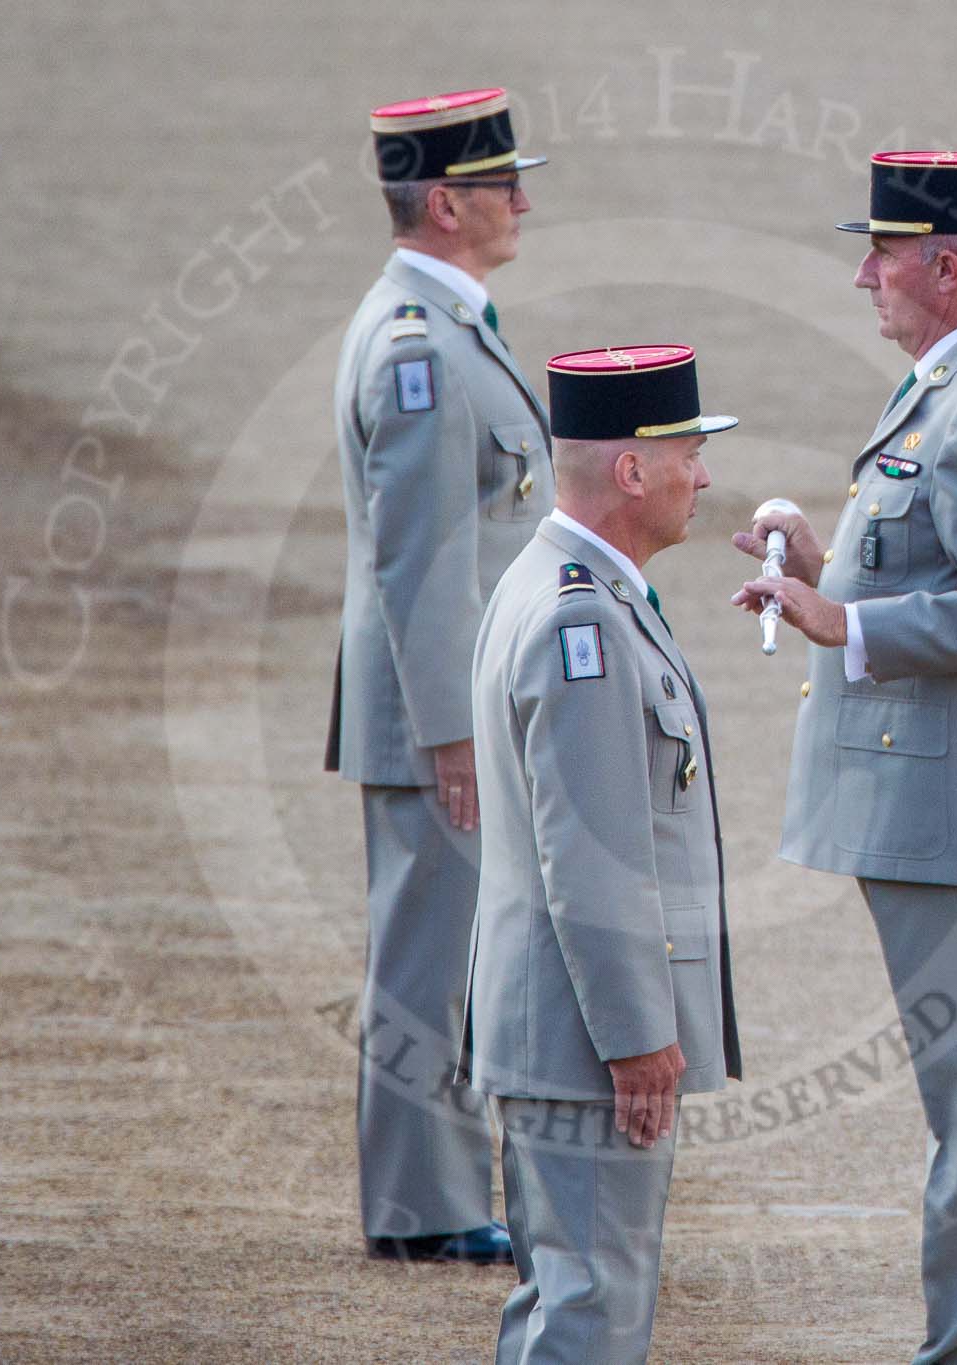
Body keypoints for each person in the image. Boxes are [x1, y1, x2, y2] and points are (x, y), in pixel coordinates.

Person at [732, 151, 957, 1364]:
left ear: (945, 268)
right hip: (920, 800)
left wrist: (845, 625)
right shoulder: (948, 384)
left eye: (882, 254)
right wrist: (823, 569)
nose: (862, 274)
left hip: (944, 809)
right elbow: (932, 567)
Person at [460, 345, 741, 1363]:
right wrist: (636, 1036)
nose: (702, 476)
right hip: (584, 1040)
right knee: (590, 1309)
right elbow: (590, 856)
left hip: (559, 1026)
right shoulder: (580, 617)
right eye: (686, 455)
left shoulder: (560, 584)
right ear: (630, 470)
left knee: (568, 1298)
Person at [324, 86, 553, 1264]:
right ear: (446, 204)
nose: (523, 202)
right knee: (429, 959)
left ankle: (443, 1191)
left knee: (452, 949)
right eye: (504, 184)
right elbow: (420, 563)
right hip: (435, 712)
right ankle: (423, 1207)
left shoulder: (444, 322)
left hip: (444, 704)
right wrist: (453, 732)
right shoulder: (418, 345)